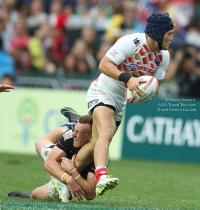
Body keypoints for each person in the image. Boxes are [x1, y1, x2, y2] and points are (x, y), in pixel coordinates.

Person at [73, 12, 175, 195]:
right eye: (169, 34)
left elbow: (156, 83)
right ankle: (102, 176)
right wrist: (128, 79)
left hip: (120, 100)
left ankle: (64, 175)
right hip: (103, 91)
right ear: (159, 34)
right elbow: (104, 64)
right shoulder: (131, 42)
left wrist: (147, 92)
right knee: (107, 130)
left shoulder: (164, 56)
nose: (172, 38)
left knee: (96, 142)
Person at [8, 114, 96, 203]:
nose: (74, 134)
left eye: (79, 133)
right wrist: (68, 179)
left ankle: (73, 121)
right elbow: (48, 163)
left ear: (91, 137)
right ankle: (73, 122)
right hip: (62, 171)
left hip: (74, 180)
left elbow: (90, 194)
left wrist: (73, 172)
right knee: (39, 143)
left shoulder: (97, 154)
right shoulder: (70, 136)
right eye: (75, 130)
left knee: (35, 194)